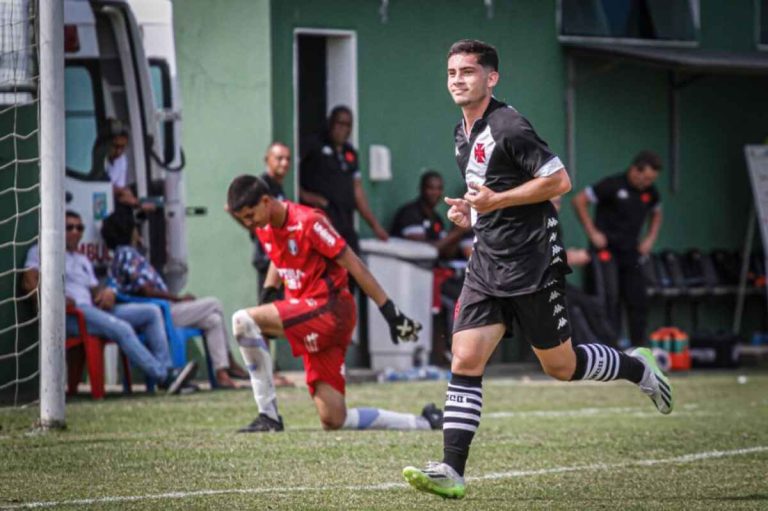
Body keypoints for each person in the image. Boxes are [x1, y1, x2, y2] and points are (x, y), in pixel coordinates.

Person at [402, 39, 673, 500]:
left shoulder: (510, 126)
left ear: (492, 78)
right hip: (487, 262)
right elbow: (490, 194)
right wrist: (473, 215)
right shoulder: (461, 132)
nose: (458, 80)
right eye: (451, 72)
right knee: (465, 358)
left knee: (561, 367)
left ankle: (637, 368)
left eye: (468, 71)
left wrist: (496, 201)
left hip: (532, 261)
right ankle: (452, 469)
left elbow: (559, 182)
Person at [226, 174, 444, 433]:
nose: (248, 224)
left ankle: (268, 416)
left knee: (242, 320)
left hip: (329, 311)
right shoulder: (264, 225)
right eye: (242, 219)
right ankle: (423, 422)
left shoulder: (310, 222)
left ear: (265, 201)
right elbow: (279, 253)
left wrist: (390, 311)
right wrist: (270, 291)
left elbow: (355, 265)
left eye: (250, 216)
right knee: (333, 419)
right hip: (307, 314)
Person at [21, 210, 196, 394]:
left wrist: (107, 292)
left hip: (92, 311)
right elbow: (28, 281)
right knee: (122, 328)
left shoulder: (82, 259)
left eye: (79, 227)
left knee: (151, 312)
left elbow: (94, 289)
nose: (75, 232)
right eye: (69, 227)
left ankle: (167, 370)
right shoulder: (41, 251)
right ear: (57, 230)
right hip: (70, 315)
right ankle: (164, 377)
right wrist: (54, 301)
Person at [101, 210, 245, 389]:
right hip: (164, 311)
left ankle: (221, 374)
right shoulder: (128, 254)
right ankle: (229, 360)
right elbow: (145, 290)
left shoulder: (123, 255)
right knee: (214, 303)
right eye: (135, 228)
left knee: (213, 321)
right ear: (129, 230)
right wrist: (177, 298)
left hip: (164, 310)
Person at [572, 150, 663, 347]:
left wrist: (650, 239)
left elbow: (657, 212)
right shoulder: (612, 185)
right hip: (607, 251)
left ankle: (639, 347)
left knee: (637, 297)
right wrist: (593, 232)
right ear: (634, 170)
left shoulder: (650, 192)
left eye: (651, 179)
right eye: (645, 177)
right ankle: (609, 346)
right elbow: (579, 200)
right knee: (609, 298)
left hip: (631, 252)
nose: (647, 183)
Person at [299, 106, 388, 254]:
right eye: (339, 123)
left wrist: (375, 226)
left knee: (353, 266)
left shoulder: (350, 153)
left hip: (345, 220)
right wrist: (304, 195)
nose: (343, 129)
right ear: (330, 123)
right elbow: (292, 171)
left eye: (348, 125)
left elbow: (357, 190)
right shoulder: (313, 145)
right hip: (321, 220)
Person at [390, 170, 468, 260]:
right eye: (431, 188)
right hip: (404, 268)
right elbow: (424, 250)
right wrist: (457, 232)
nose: (435, 192)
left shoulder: (437, 218)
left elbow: (446, 253)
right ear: (421, 189)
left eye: (439, 188)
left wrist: (458, 230)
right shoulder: (410, 213)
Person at [99, 119, 155, 214]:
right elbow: (102, 187)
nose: (119, 152)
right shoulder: (100, 159)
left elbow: (120, 190)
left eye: (122, 147)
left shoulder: (122, 160)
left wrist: (133, 200)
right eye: (115, 146)